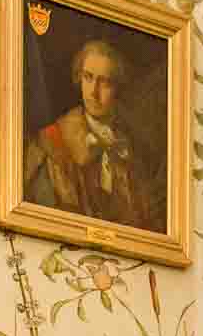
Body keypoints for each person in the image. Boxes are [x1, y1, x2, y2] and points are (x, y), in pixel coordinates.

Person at [23, 37, 162, 233]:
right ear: (79, 78)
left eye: (104, 82)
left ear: (118, 89)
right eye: (88, 77)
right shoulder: (53, 143)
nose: (93, 92)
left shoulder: (128, 149)